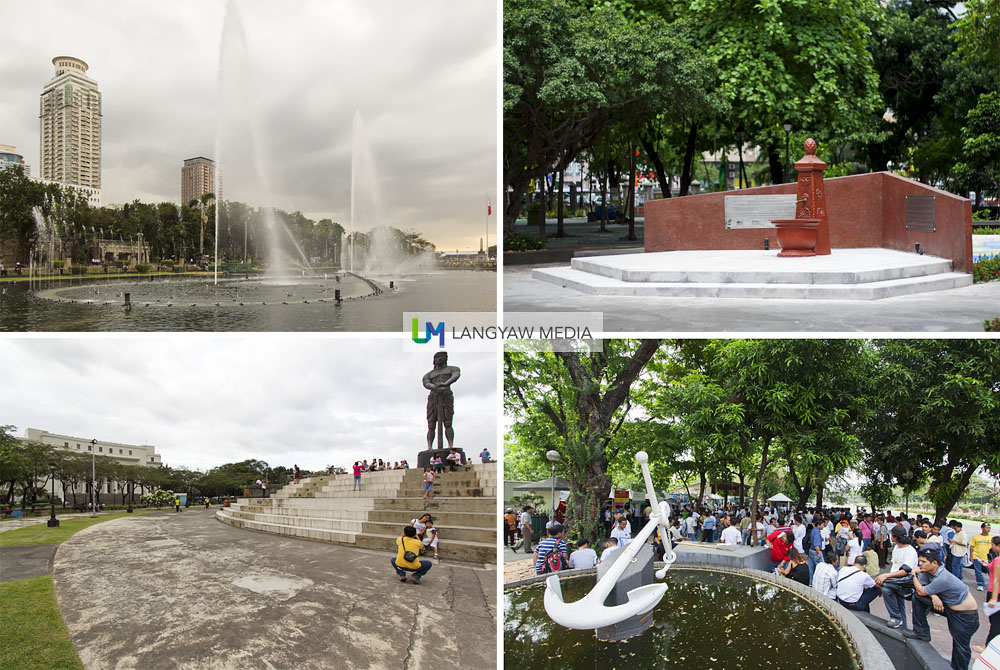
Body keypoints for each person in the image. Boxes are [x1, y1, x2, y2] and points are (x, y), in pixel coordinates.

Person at [908, 548, 979, 670]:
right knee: (917, 598)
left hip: (965, 617)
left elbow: (921, 590)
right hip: (950, 610)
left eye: (924, 562)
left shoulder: (943, 577)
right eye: (919, 561)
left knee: (960, 648)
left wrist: (913, 574)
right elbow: (923, 589)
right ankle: (921, 632)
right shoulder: (927, 572)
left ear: (934, 563)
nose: (920, 564)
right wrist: (933, 595)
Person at [972, 523, 992, 592]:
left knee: (990, 572)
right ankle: (981, 584)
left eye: (989, 528)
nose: (988, 529)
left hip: (988, 559)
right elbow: (972, 546)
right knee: (978, 571)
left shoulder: (991, 538)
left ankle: (993, 585)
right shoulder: (976, 537)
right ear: (982, 528)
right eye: (987, 528)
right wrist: (971, 556)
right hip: (977, 557)